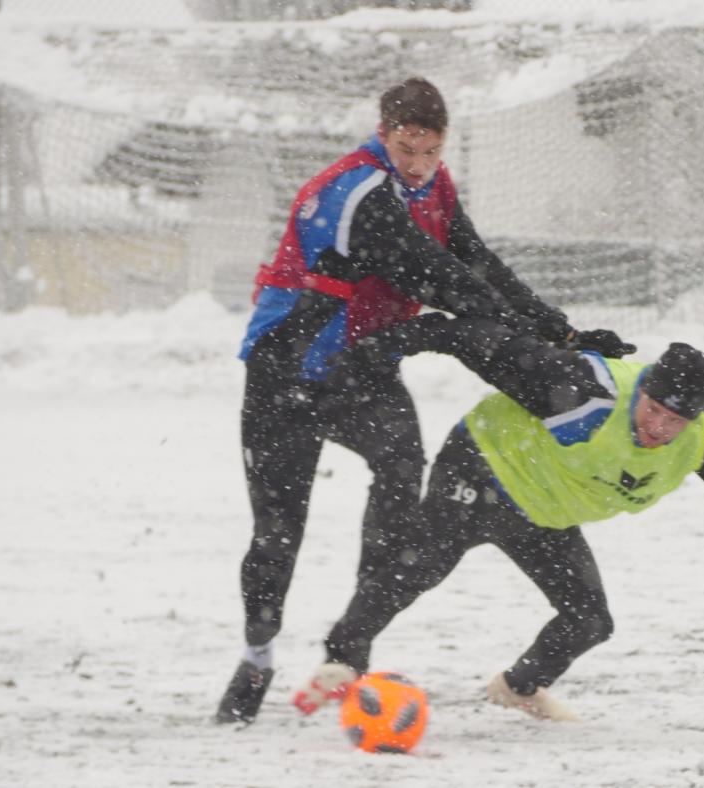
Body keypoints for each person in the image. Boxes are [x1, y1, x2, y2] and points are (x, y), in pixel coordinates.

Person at [216, 77, 631, 724]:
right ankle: (258, 652)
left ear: (442, 147)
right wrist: (541, 340)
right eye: (406, 149)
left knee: (402, 467)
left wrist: (563, 330)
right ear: (383, 134)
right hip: (287, 367)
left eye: (429, 152)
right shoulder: (357, 192)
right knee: (278, 531)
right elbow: (441, 280)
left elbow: (478, 263)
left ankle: (349, 650)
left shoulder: (435, 189)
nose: (416, 165)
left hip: (362, 362)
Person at [295, 316, 704, 721]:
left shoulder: (701, 443)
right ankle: (340, 663)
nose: (659, 428)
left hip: (543, 511)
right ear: (644, 388)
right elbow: (466, 334)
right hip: (483, 468)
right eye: (654, 410)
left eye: (675, 421)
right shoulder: (584, 390)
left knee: (591, 620)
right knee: (418, 570)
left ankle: (519, 687)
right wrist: (384, 346)